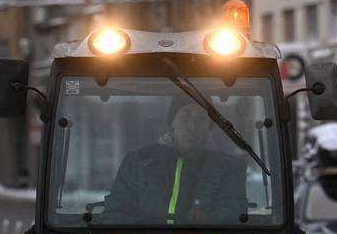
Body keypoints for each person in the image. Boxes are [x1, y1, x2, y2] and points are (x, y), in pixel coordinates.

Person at [103, 94, 248, 223]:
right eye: (185, 116)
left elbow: (234, 214)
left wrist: (208, 220)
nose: (192, 126)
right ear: (172, 121)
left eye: (201, 119)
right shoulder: (138, 162)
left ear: (209, 126)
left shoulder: (228, 168)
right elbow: (116, 212)